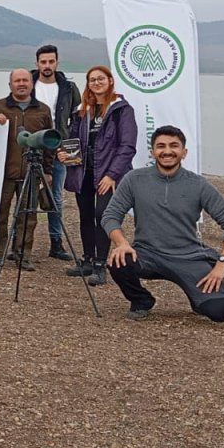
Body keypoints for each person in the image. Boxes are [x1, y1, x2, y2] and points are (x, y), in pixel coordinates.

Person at [103, 126, 224, 322]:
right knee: (120, 260)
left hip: (189, 257)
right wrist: (122, 243)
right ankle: (141, 300)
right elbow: (110, 215)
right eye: (161, 146)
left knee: (219, 312)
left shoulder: (198, 184)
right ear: (153, 152)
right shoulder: (134, 179)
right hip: (147, 254)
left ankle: (198, 300)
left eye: (174, 146)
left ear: (184, 152)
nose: (167, 151)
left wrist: (222, 263)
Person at [59, 65, 137, 285]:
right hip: (84, 172)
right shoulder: (82, 110)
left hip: (108, 173)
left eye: (101, 78)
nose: (96, 83)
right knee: (85, 214)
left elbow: (127, 145)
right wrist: (66, 154)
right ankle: (87, 260)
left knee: (103, 215)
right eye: (92, 79)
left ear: (110, 81)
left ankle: (101, 265)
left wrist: (112, 174)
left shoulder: (122, 109)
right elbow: (73, 139)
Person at [0, 69, 54, 271]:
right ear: (10, 84)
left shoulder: (43, 110)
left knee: (28, 216)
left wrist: (48, 171)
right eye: (17, 81)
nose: (21, 84)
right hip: (1, 173)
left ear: (32, 83)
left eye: (25, 80)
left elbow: (49, 143)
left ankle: (23, 254)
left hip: (31, 172)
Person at [34, 44, 82, 262]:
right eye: (43, 62)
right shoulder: (28, 83)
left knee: (56, 197)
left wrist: (70, 149)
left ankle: (56, 242)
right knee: (27, 195)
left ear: (57, 62)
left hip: (58, 148)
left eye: (51, 61)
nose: (47, 65)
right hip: (32, 147)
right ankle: (20, 244)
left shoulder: (69, 88)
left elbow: (78, 119)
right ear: (37, 63)